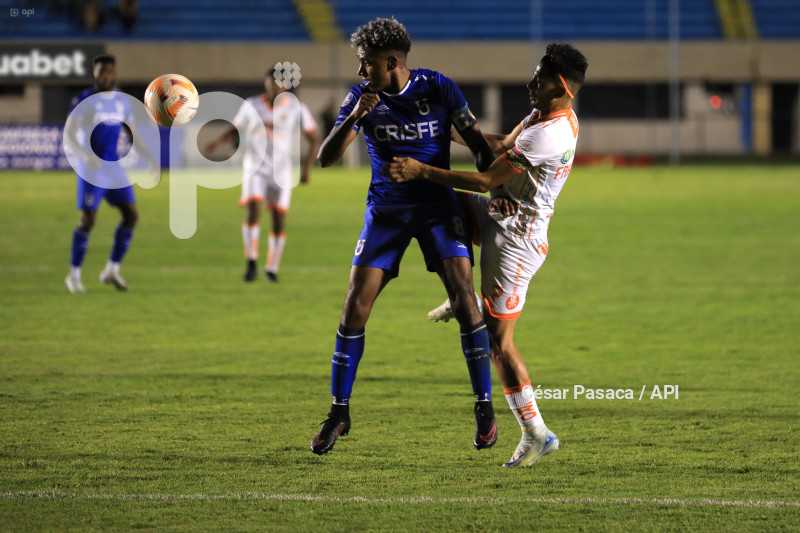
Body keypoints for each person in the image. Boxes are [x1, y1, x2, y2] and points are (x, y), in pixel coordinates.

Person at [384, 43, 588, 467]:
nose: (531, 83)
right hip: (502, 214)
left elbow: (483, 179)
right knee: (439, 202)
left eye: (540, 79)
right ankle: (464, 299)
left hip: (516, 241)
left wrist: (421, 169)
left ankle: (536, 433)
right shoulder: (545, 116)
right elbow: (499, 145)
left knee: (498, 343)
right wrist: (448, 128)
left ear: (561, 87)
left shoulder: (549, 134)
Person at [311, 17, 497, 455]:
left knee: (464, 296)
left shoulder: (438, 88)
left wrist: (498, 191)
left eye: (367, 63)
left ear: (392, 62)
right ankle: (339, 413)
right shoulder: (360, 97)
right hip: (386, 211)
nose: (361, 71)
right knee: (355, 304)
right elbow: (325, 158)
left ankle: (484, 408)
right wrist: (355, 117)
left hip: (438, 208)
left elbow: (479, 146)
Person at [206, 71, 319, 283]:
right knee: (253, 210)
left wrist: (307, 169)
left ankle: (272, 269)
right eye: (270, 83)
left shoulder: (296, 107)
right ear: (266, 84)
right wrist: (218, 143)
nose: (274, 87)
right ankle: (251, 263)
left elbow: (314, 137)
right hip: (254, 167)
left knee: (278, 220)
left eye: (278, 83)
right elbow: (236, 129)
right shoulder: (252, 104)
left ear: (285, 85)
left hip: (282, 171)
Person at [64, 54, 158, 294]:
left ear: (115, 73)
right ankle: (73, 276)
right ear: (94, 74)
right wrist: (84, 155)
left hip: (113, 168)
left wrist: (149, 159)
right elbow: (70, 133)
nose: (105, 76)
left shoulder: (121, 100)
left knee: (131, 215)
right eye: (101, 72)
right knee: (88, 220)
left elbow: (132, 133)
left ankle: (111, 270)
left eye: (109, 71)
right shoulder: (84, 99)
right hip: (91, 169)